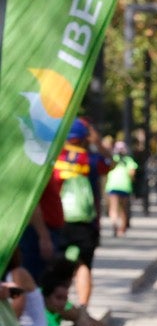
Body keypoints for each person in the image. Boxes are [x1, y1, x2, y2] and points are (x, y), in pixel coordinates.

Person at [55, 118, 104, 308]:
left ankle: (58, 304)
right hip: (85, 221)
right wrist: (97, 142)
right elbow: (111, 163)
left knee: (59, 265)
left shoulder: (56, 158)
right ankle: (82, 307)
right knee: (83, 264)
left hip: (59, 218)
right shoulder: (90, 159)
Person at [105, 142, 136, 237]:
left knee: (113, 208)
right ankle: (122, 230)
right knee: (123, 209)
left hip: (112, 185)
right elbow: (132, 174)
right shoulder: (129, 160)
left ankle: (114, 224)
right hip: (124, 186)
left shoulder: (113, 160)